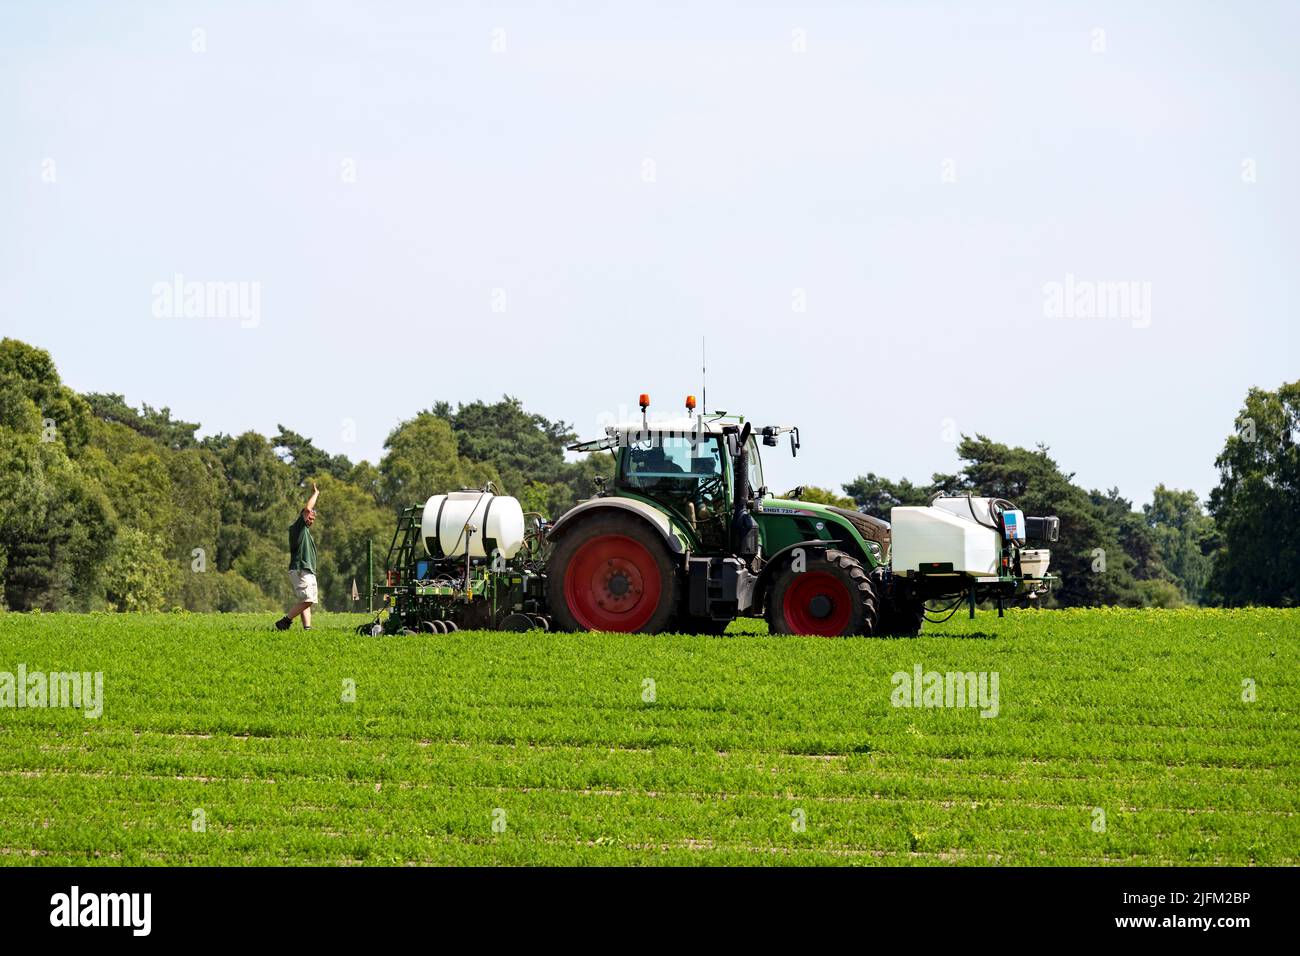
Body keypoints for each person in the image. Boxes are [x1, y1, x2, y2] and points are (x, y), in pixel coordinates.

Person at [274, 481, 319, 631]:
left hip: (305, 569)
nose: (311, 519)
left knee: (305, 600)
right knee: (308, 600)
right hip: (301, 569)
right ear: (303, 515)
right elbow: (308, 508)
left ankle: (307, 628)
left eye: (313, 518)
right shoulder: (298, 527)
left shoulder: (305, 532)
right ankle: (284, 622)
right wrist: (316, 494)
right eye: (310, 516)